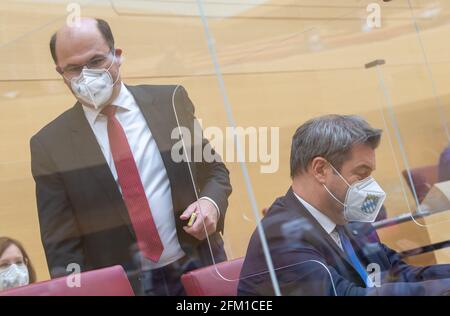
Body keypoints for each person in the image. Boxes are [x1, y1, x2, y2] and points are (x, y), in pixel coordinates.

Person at [30, 17, 232, 295]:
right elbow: (61, 243)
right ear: (60, 72)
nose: (87, 76)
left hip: (198, 267)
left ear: (118, 55)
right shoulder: (50, 144)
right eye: (74, 69)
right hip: (125, 287)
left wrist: (210, 203)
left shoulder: (169, 102)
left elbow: (214, 172)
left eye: (96, 61)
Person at [238, 115, 450, 296]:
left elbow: (394, 272)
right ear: (320, 170)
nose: (370, 187)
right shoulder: (281, 237)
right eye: (362, 174)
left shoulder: (347, 217)